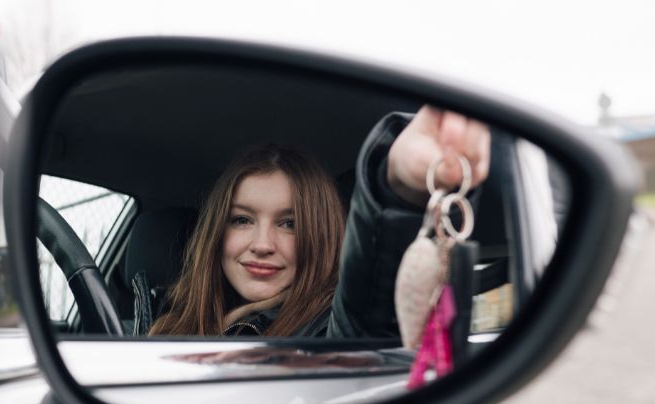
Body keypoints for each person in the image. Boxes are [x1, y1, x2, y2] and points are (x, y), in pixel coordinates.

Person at [149, 105, 491, 337]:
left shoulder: (329, 330)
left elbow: (371, 310)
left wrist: (399, 190)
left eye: (289, 224)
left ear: (322, 234)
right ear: (215, 233)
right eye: (241, 220)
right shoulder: (166, 329)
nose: (263, 245)